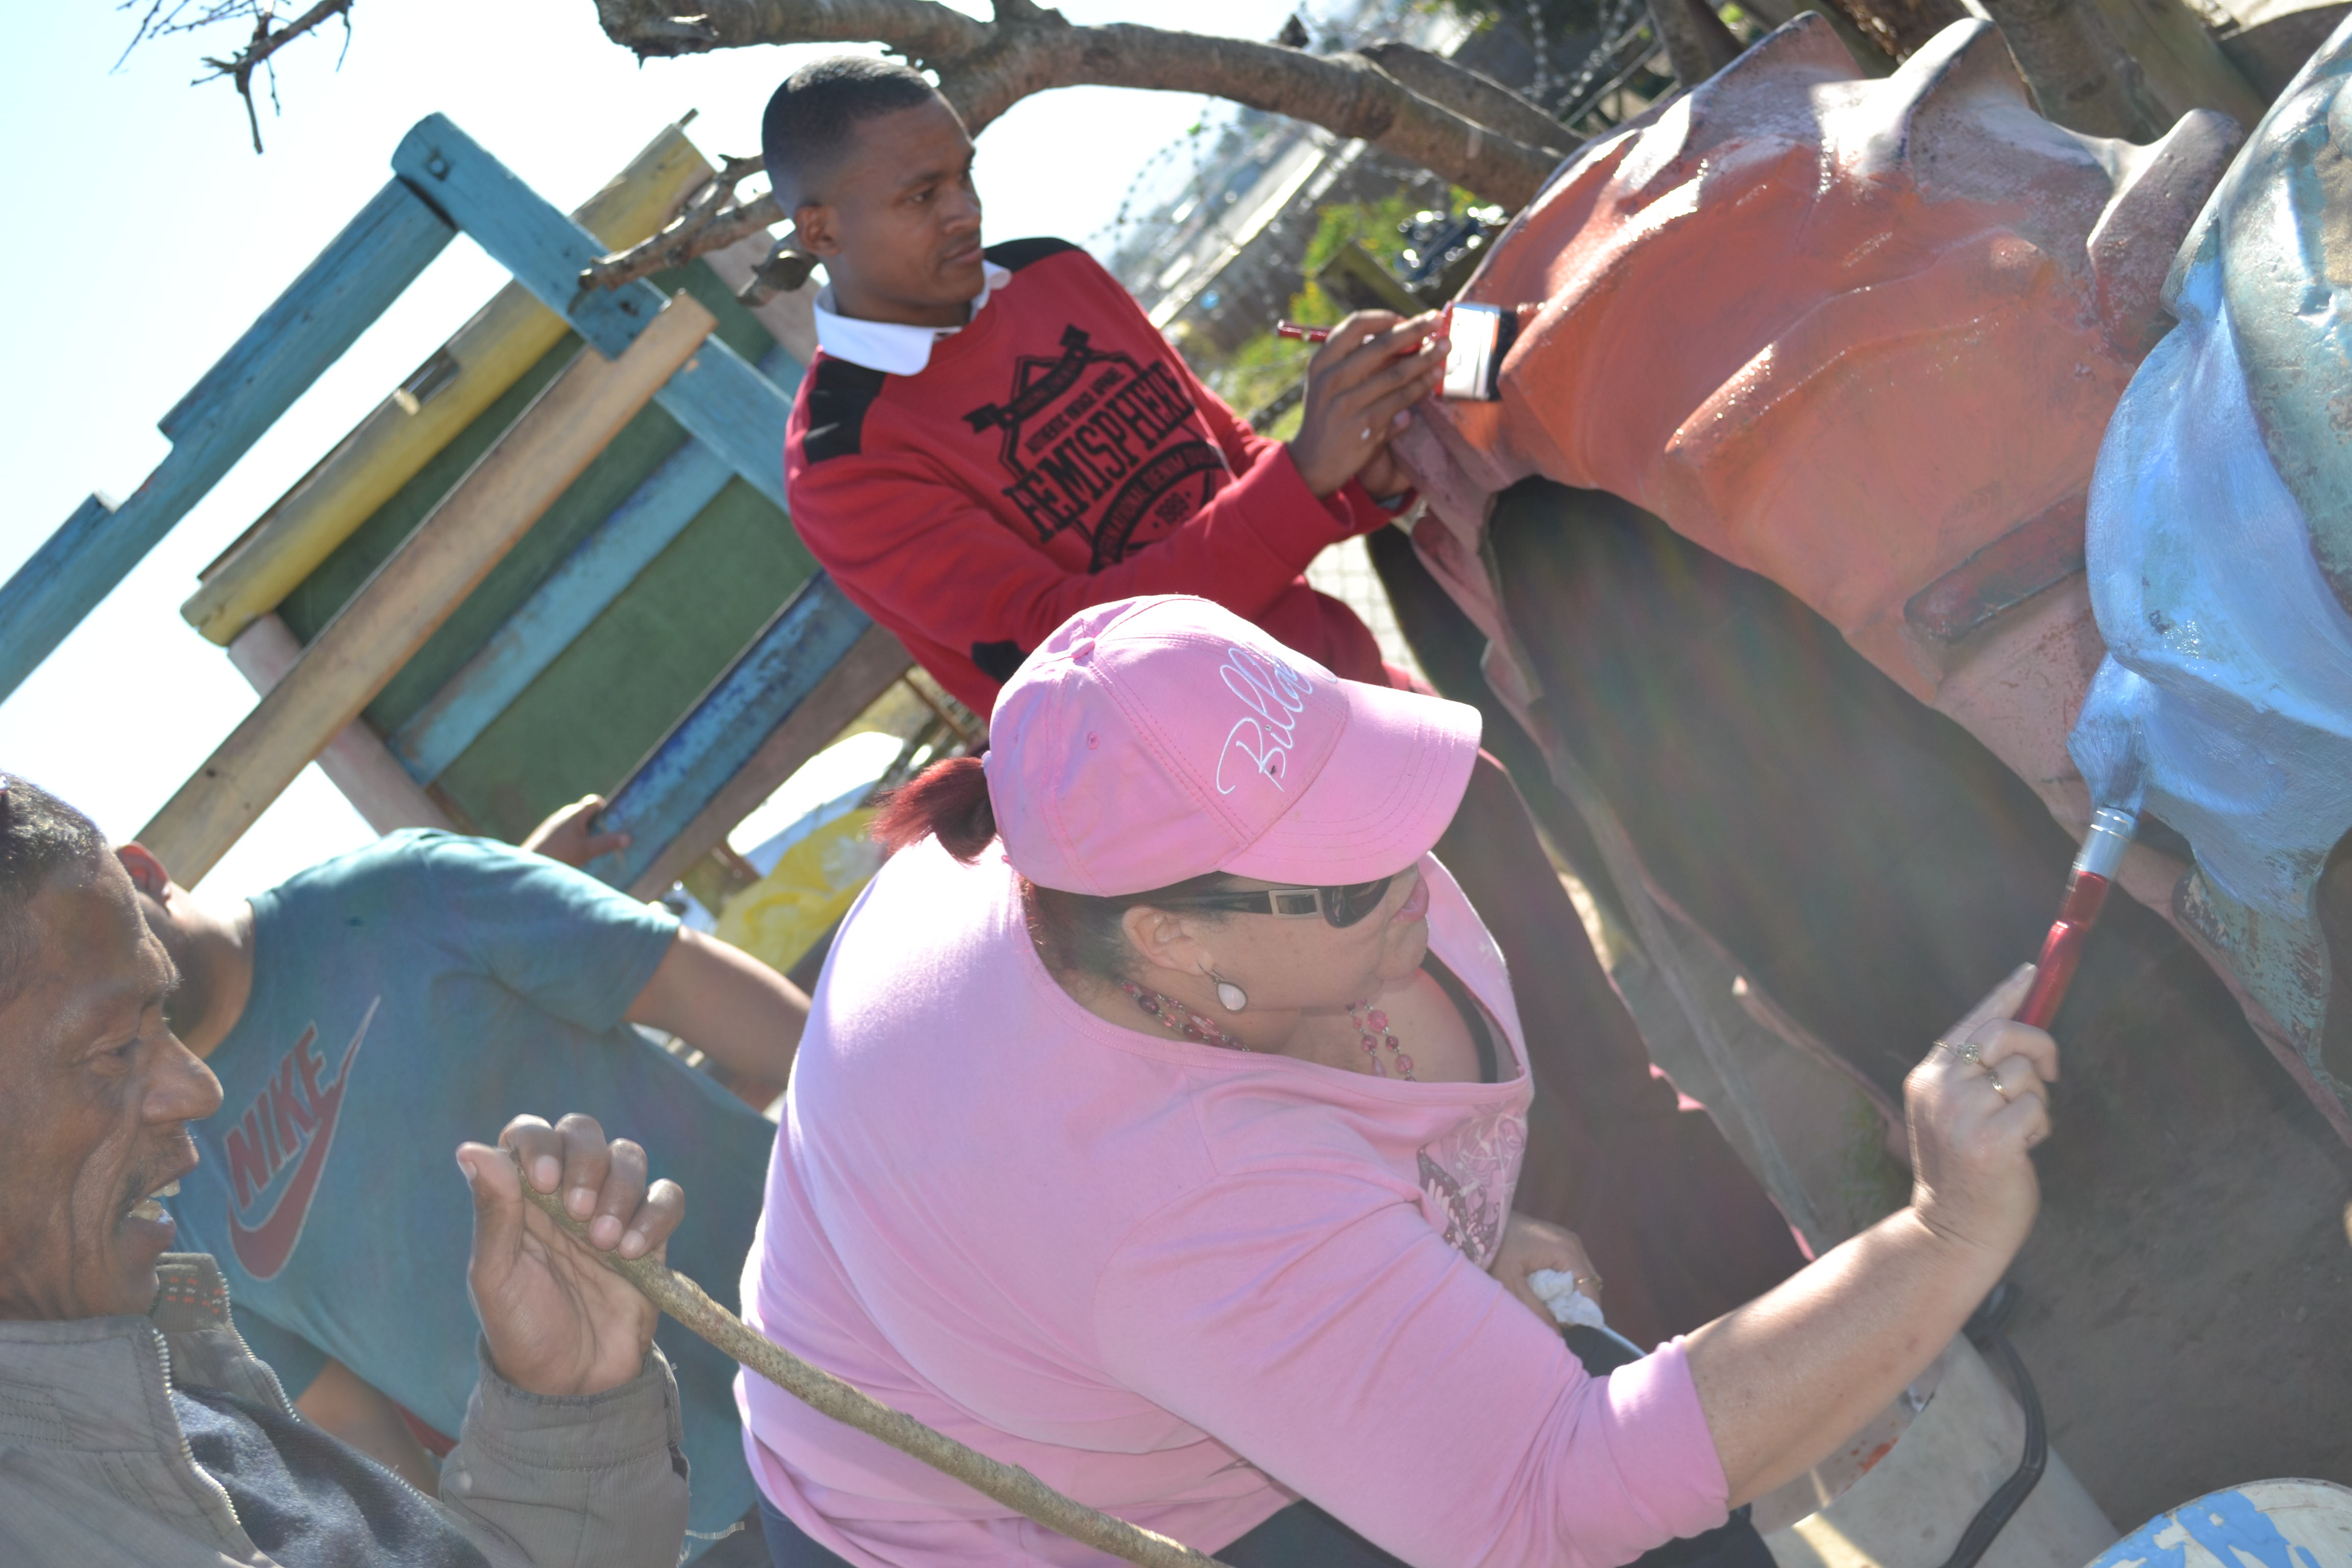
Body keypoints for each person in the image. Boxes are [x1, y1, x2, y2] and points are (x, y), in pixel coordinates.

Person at [763, 55, 1806, 1346]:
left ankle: (1849, 1369)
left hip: (1379, 737)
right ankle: (1677, 1481)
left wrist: (1368, 444)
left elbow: (1232, 473)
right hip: (1262, 880)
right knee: (1503, 1178)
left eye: (964, 173)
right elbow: (1074, 646)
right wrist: (1299, 483)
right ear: (819, 228)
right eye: (921, 193)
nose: (964, 211)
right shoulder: (847, 462)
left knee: (1612, 1073)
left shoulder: (1053, 274)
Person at [738, 596, 2059, 1568]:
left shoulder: (1063, 821)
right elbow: (1556, 1499)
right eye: (1353, 866)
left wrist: (1442, 1241)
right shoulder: (1177, 1203)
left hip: (1040, 1283)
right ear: (1177, 940)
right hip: (961, 1514)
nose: (1417, 862)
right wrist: (1943, 1232)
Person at [0, 773, 696, 1567]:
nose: (199, 1089)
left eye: (162, 1022)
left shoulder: (169, 1378)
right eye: (117, 1048)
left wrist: (569, 1408)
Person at [120, 816, 806, 1555]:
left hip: (852, 1329)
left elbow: (691, 991)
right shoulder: (163, 1195)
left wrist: (926, 1155)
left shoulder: (399, 889)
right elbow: (351, 1427)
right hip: (683, 1534)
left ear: (139, 872)